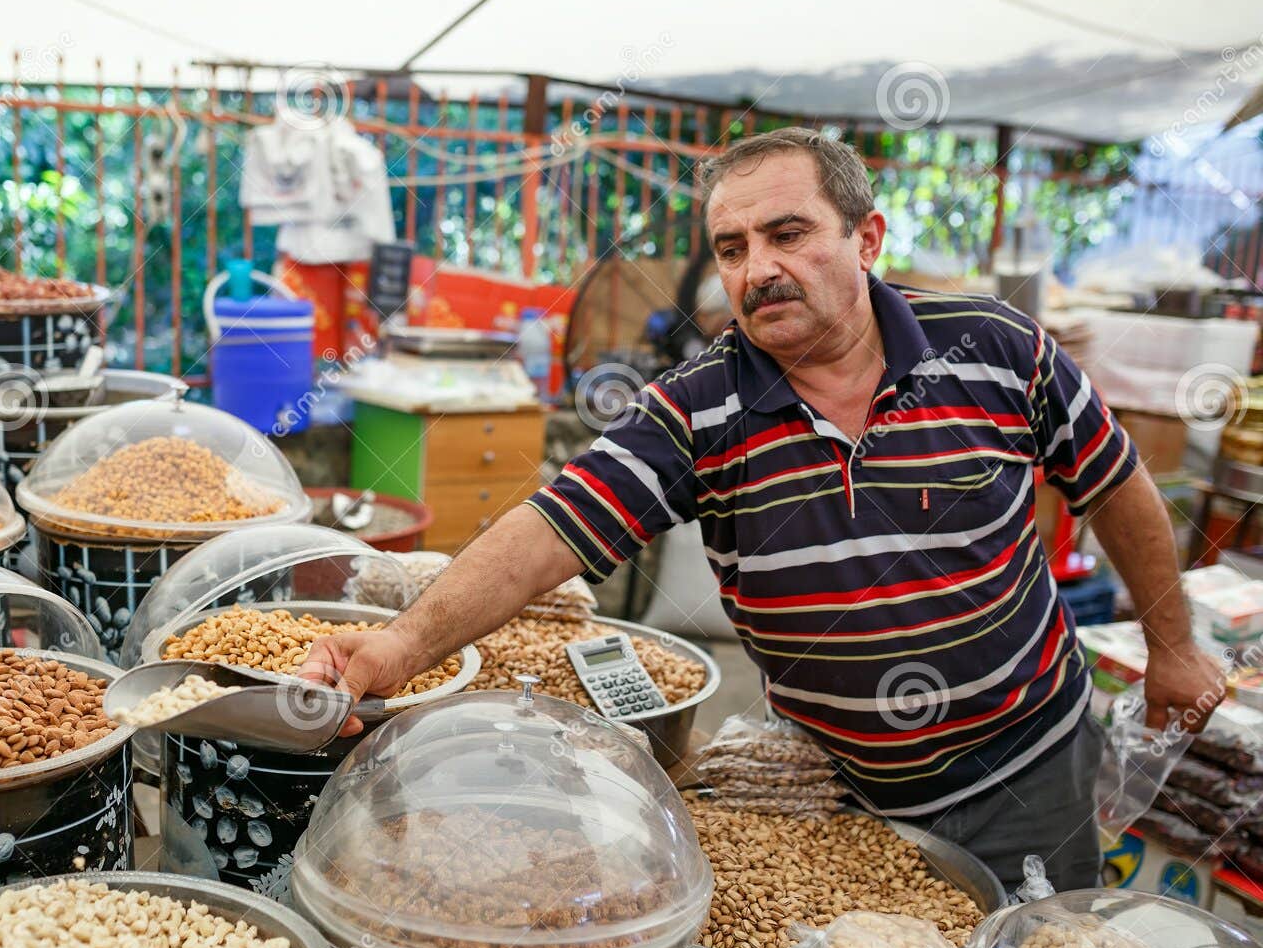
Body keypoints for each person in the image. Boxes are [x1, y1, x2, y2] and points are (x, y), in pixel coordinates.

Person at [302, 127, 1224, 891]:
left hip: (1030, 764)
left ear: (867, 239)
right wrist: (398, 646)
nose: (759, 270)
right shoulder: (699, 406)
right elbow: (549, 525)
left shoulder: (993, 346)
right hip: (838, 790)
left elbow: (1114, 482)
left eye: (789, 235)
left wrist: (1174, 648)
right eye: (734, 249)